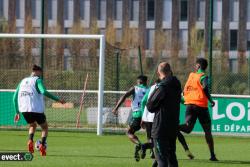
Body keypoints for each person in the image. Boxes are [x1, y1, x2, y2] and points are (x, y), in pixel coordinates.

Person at [13, 65, 65, 156]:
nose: (41, 75)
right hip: (36, 109)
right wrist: (58, 100)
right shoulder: (37, 80)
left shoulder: (22, 81)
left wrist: (17, 112)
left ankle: (30, 141)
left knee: (32, 125)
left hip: (24, 109)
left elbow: (14, 97)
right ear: (38, 72)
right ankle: (42, 145)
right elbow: (44, 91)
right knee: (44, 127)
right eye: (41, 72)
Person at [141, 79, 194, 161]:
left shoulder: (151, 88)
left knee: (155, 139)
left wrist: (143, 116)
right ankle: (186, 151)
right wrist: (190, 102)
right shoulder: (165, 88)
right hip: (159, 119)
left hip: (148, 118)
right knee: (172, 136)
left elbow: (144, 101)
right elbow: (181, 100)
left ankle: (150, 151)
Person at [179, 58, 218, 161]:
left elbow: (185, 90)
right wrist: (210, 100)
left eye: (196, 65)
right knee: (207, 131)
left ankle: (174, 127)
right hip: (200, 106)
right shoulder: (203, 76)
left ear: (198, 66)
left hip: (190, 105)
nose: (195, 67)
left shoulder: (191, 76)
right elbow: (205, 88)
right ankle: (212, 155)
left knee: (188, 128)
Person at [147, 62, 181, 167]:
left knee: (161, 160)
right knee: (172, 157)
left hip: (161, 127)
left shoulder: (162, 86)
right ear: (170, 71)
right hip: (173, 126)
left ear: (158, 72)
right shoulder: (177, 84)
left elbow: (150, 106)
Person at [112, 75, 148, 162]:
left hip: (137, 115)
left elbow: (124, 96)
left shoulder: (135, 88)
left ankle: (139, 144)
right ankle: (152, 152)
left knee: (129, 132)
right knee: (150, 135)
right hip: (148, 116)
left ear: (138, 82)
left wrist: (116, 108)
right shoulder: (150, 89)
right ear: (146, 82)